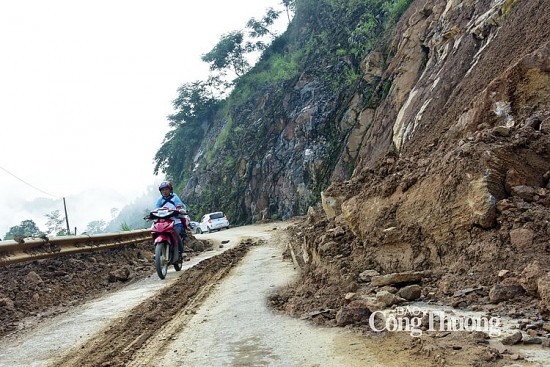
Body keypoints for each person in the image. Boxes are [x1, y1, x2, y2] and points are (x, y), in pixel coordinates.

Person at [154, 181, 187, 261]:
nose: (164, 191)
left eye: (166, 189)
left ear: (170, 190)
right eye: (162, 190)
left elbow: (179, 205)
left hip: (176, 222)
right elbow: (156, 209)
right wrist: (151, 215)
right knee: (156, 232)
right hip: (164, 222)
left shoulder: (175, 197)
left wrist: (180, 210)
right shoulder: (160, 200)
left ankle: (182, 252)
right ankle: (157, 252)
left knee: (175, 233)